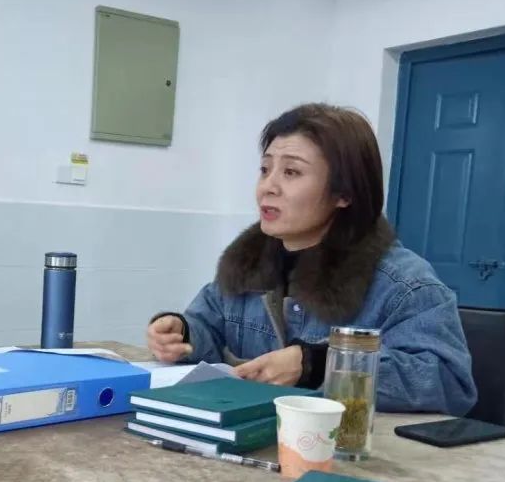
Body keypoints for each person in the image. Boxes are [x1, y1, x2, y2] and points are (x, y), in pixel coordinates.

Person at [146, 103, 477, 415]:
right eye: (265, 169)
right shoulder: (247, 266)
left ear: (344, 193)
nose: (267, 187)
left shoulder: (404, 284)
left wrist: (318, 365)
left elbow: (448, 382)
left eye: (291, 172)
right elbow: (208, 327)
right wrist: (182, 334)